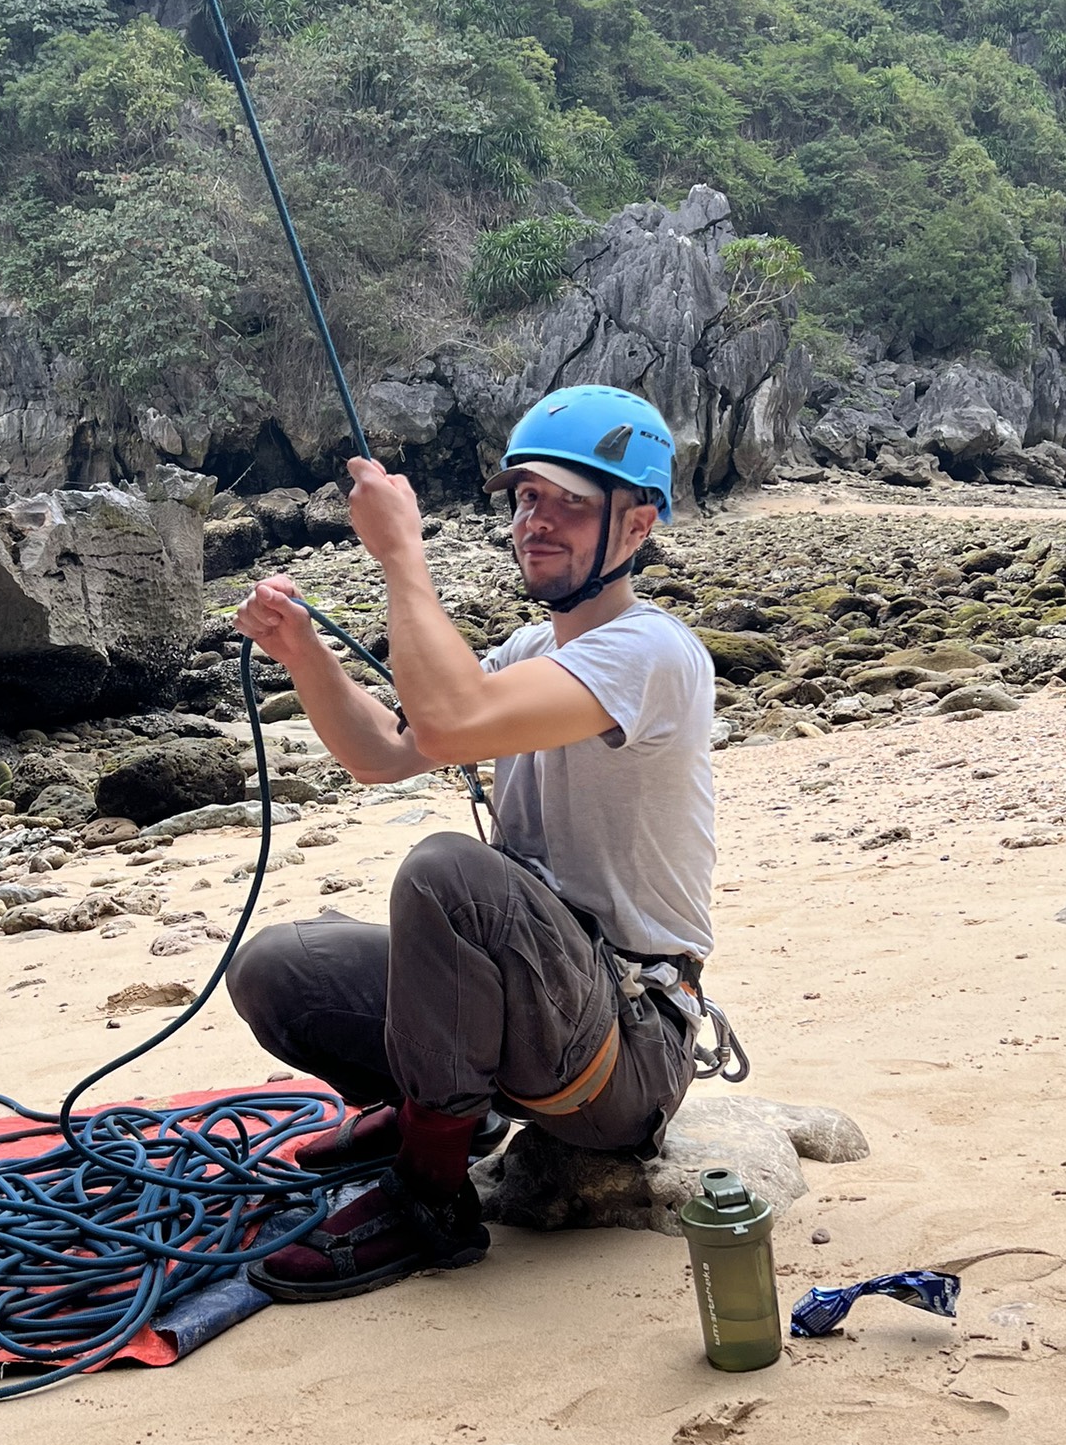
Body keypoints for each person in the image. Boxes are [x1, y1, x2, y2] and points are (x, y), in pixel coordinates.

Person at [228, 384, 719, 1303]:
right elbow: (386, 753)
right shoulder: (532, 649)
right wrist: (305, 654)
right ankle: (455, 1114)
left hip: (630, 1047)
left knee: (449, 873)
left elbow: (453, 723)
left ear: (637, 524)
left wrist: (401, 554)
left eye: (572, 502)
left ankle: (429, 1196)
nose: (538, 521)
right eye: (528, 497)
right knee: (278, 969)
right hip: (543, 1008)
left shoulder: (653, 651)